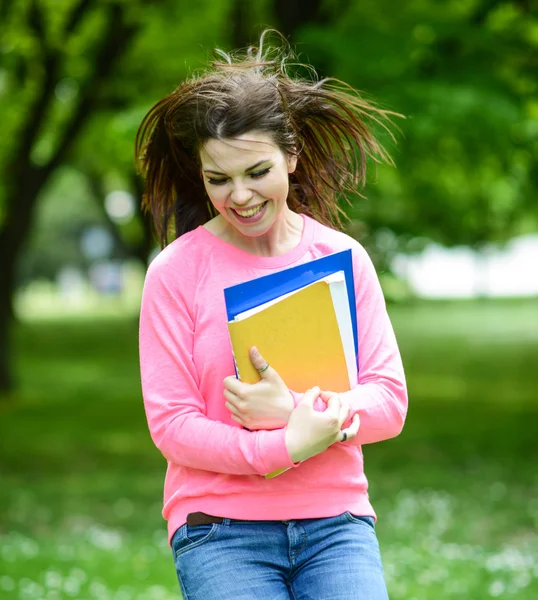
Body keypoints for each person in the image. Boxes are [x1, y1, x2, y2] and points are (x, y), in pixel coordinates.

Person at [136, 30, 407, 600]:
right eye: (218, 179)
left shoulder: (341, 258)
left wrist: (298, 410)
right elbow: (173, 426)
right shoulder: (175, 273)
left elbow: (388, 401)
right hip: (220, 531)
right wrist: (283, 446)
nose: (239, 196)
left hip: (336, 524)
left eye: (256, 171)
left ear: (291, 156)